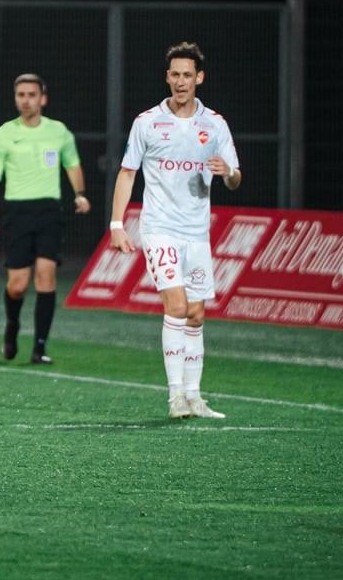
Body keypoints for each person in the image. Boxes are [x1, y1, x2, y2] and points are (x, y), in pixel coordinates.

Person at [109, 42, 240, 420]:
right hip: (160, 228)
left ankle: (195, 397)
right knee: (178, 307)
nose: (181, 82)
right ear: (167, 77)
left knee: (196, 314)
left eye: (188, 75)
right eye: (175, 75)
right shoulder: (147, 122)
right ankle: (175, 396)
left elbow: (235, 178)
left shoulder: (215, 124)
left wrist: (227, 173)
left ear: (200, 78)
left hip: (196, 232)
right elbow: (127, 173)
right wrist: (117, 224)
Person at [0, 73, 90, 365]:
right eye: (21, 95)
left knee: (45, 276)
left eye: (31, 95)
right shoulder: (4, 134)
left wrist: (80, 194)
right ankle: (12, 325)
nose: (26, 100)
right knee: (17, 284)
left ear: (43, 99)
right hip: (16, 213)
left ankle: (40, 347)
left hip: (48, 212)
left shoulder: (59, 132)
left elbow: (73, 165)